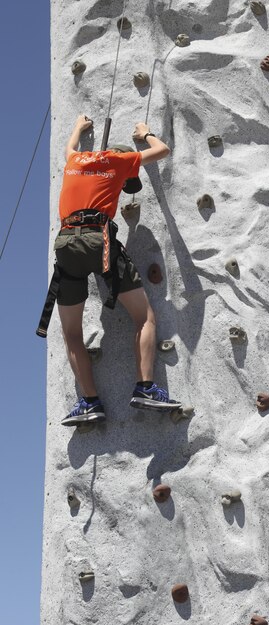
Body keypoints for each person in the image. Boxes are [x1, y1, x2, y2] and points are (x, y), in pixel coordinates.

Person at [53, 114, 180, 427]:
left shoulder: (76, 160)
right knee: (144, 317)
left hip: (67, 244)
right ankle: (146, 388)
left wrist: (78, 128)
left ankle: (89, 402)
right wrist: (146, 133)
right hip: (100, 241)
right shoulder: (120, 161)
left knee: (71, 334)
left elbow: (69, 148)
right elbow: (162, 150)